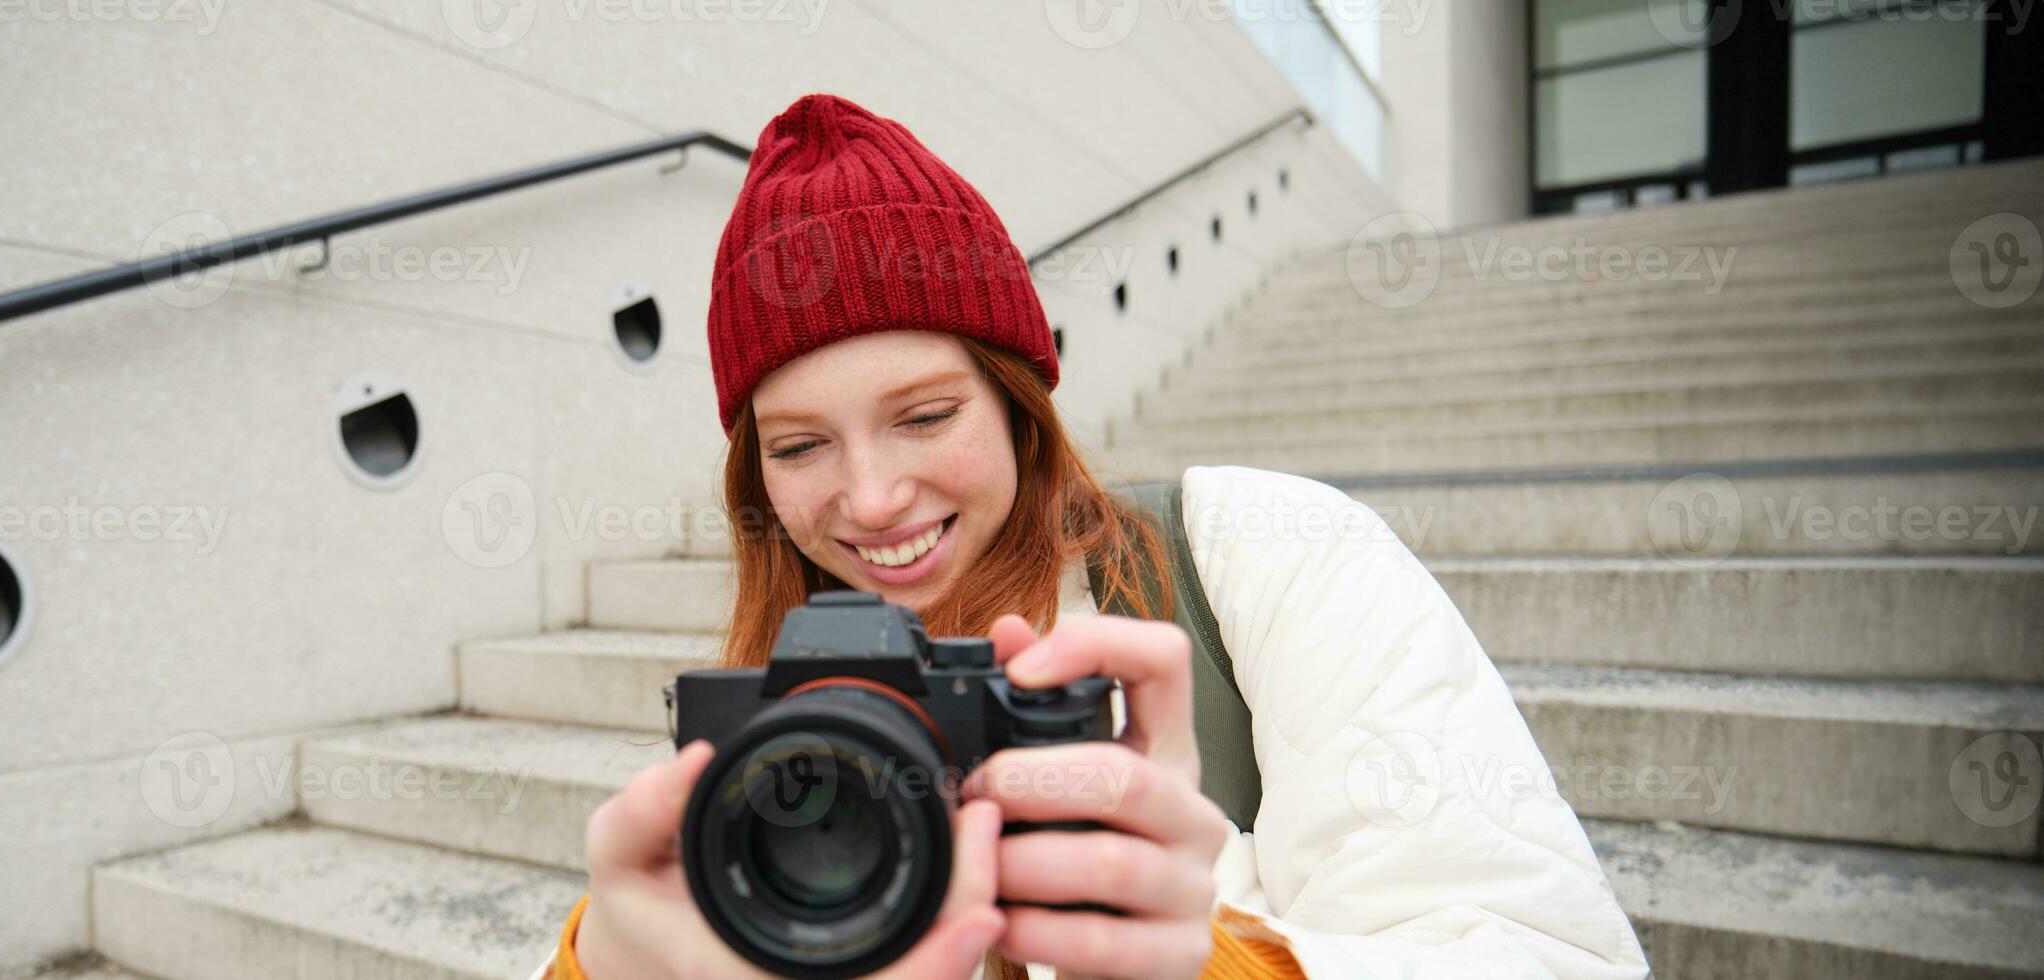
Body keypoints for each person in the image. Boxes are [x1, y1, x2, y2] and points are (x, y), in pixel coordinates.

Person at [533, 94, 1650, 980]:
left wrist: (1207, 960)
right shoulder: (774, 709)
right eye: (797, 446)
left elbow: (1548, 952)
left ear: (1019, 404)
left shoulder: (1262, 552)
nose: (869, 499)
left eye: (924, 416)